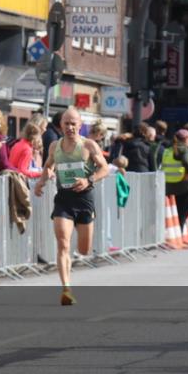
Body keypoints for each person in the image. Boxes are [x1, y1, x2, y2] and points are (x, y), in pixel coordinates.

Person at [34, 108, 109, 306]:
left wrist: (88, 180)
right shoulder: (54, 146)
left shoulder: (89, 145)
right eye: (66, 123)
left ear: (80, 125)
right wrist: (42, 181)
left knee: (84, 250)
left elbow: (105, 168)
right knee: (63, 243)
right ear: (61, 125)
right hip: (64, 199)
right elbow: (48, 165)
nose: (70, 127)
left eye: (73, 123)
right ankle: (66, 289)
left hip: (84, 199)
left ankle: (77, 261)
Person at [161, 129, 188, 233]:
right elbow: (187, 162)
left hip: (171, 185)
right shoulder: (182, 149)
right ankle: (180, 233)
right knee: (183, 211)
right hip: (187, 185)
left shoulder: (168, 150)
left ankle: (177, 232)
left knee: (177, 211)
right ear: (185, 139)